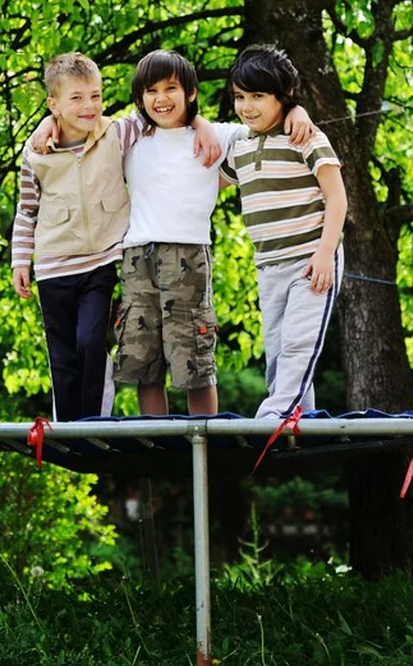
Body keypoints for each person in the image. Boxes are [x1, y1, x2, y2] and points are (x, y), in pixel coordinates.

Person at [11, 52, 219, 421]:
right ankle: (68, 426)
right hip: (52, 266)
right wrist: (19, 260)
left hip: (102, 261)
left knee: (91, 342)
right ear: (53, 104)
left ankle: (93, 422)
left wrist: (201, 121)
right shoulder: (35, 152)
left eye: (95, 95)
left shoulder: (116, 133)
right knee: (61, 355)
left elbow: (163, 111)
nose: (89, 106)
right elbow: (27, 210)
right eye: (76, 98)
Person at [112, 49, 315, 417]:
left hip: (188, 258)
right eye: (151, 90)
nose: (161, 99)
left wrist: (297, 109)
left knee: (194, 360)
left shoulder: (221, 136)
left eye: (171, 88)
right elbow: (85, 128)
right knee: (144, 361)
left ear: (190, 93)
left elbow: (267, 120)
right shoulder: (131, 136)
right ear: (140, 97)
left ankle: (202, 438)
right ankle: (158, 445)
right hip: (136, 257)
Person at [221, 44, 347, 419]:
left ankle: (274, 413)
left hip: (311, 260)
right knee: (277, 348)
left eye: (258, 96)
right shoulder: (240, 146)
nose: (247, 107)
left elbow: (337, 198)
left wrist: (325, 254)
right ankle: (298, 419)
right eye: (240, 97)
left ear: (284, 97)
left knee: (298, 344)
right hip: (268, 266)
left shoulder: (305, 137)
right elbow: (210, 183)